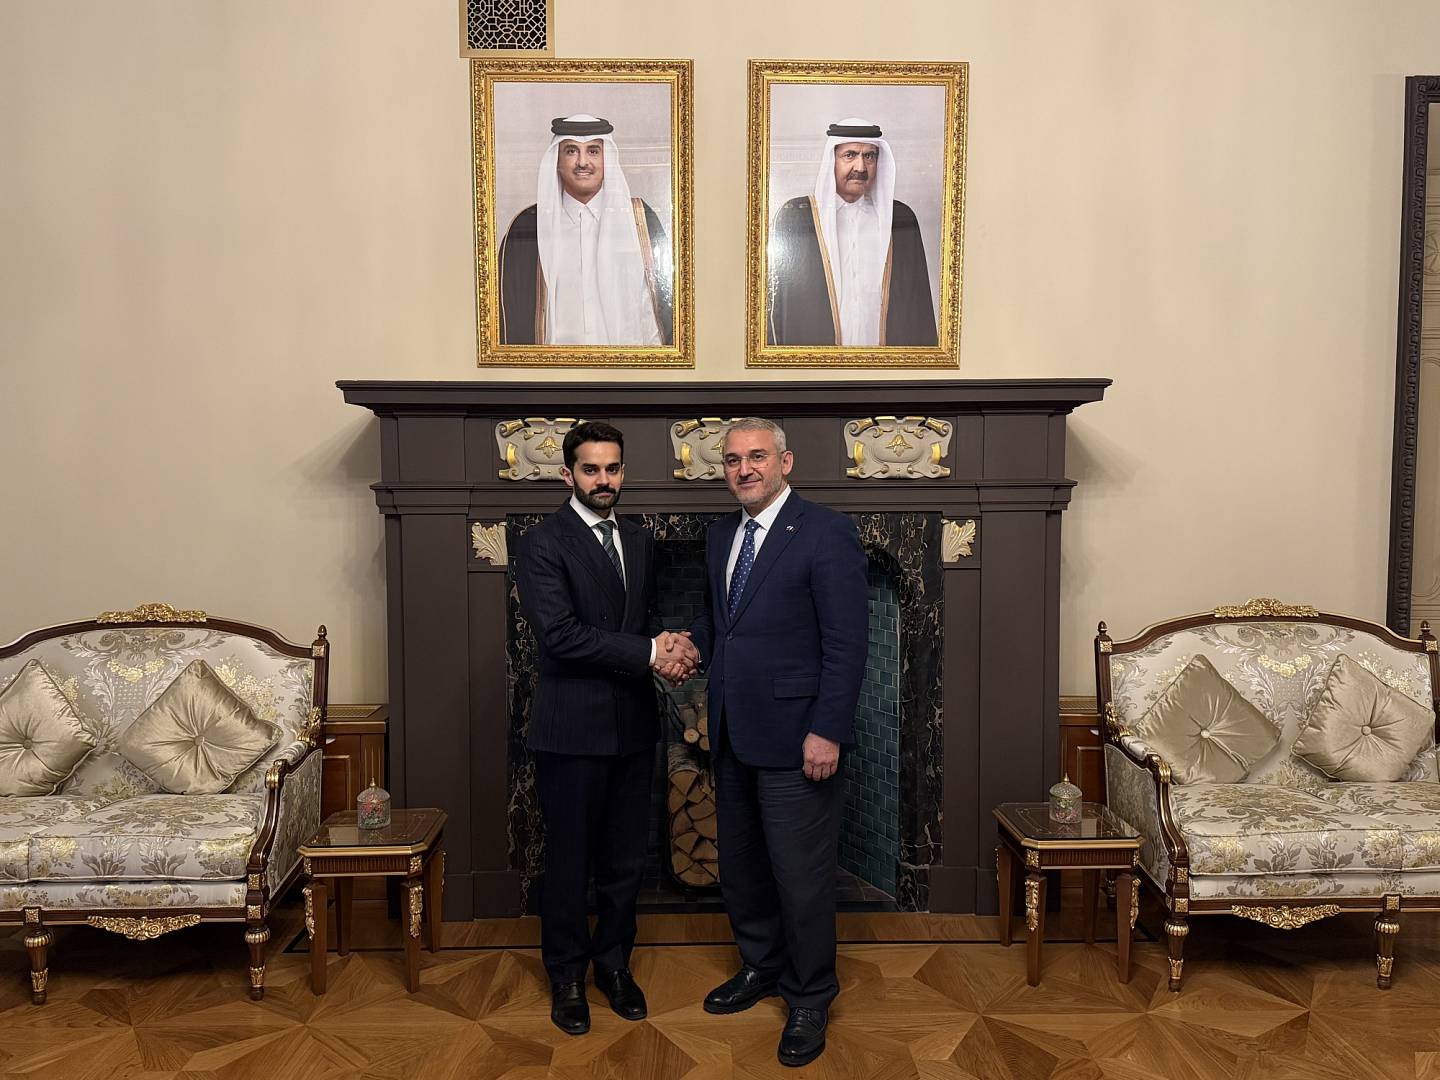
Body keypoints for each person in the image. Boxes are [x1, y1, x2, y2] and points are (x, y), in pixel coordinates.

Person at [687, 417, 868, 1068]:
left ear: (784, 462)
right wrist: (685, 647)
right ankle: (761, 965)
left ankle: (811, 994)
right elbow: (721, 627)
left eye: (757, 456)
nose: (744, 468)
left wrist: (828, 730)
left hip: (800, 740)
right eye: (733, 460)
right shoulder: (721, 536)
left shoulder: (826, 532)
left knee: (801, 878)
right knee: (742, 868)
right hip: (732, 732)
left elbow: (847, 644)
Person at [514, 421, 696, 1036]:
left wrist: (672, 650)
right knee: (570, 861)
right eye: (590, 469)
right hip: (571, 729)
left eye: (612, 469)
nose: (603, 480)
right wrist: (651, 651)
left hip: (633, 724)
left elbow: (641, 621)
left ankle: (614, 965)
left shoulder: (638, 539)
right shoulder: (543, 542)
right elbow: (561, 637)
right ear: (568, 474)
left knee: (625, 860)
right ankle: (566, 976)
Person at [498, 114, 673, 347]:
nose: (582, 162)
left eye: (593, 151)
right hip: (551, 369)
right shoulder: (527, 226)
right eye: (571, 151)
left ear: (606, 158)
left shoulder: (640, 220)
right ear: (557, 160)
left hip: (626, 368)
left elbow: (662, 313)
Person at [767, 118, 938, 348]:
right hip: (817, 366)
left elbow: (918, 309)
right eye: (850, 155)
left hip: (883, 365)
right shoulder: (797, 217)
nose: (860, 167)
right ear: (832, 160)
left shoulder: (900, 219)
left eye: (869, 156)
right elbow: (778, 309)